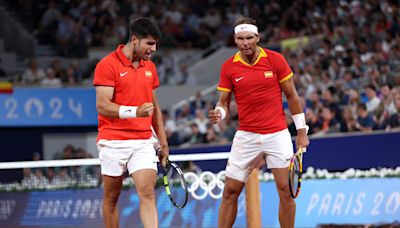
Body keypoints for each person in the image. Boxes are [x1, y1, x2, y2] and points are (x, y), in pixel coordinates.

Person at [208, 16, 310, 228]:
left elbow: (292, 96)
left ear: (258, 38)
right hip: (246, 136)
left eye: (250, 38)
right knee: (230, 192)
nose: (245, 43)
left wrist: (302, 132)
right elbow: (224, 103)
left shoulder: (275, 59)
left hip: (277, 134)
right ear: (235, 40)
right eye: (240, 38)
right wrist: (220, 113)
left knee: (286, 191)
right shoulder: (228, 67)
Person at [93, 17, 169, 228]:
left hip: (142, 142)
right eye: (149, 44)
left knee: (147, 193)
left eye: (155, 44)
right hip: (112, 141)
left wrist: (163, 142)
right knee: (111, 198)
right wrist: (135, 111)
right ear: (134, 40)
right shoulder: (107, 65)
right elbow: (103, 105)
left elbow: (155, 110)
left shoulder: (150, 68)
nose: (153, 49)